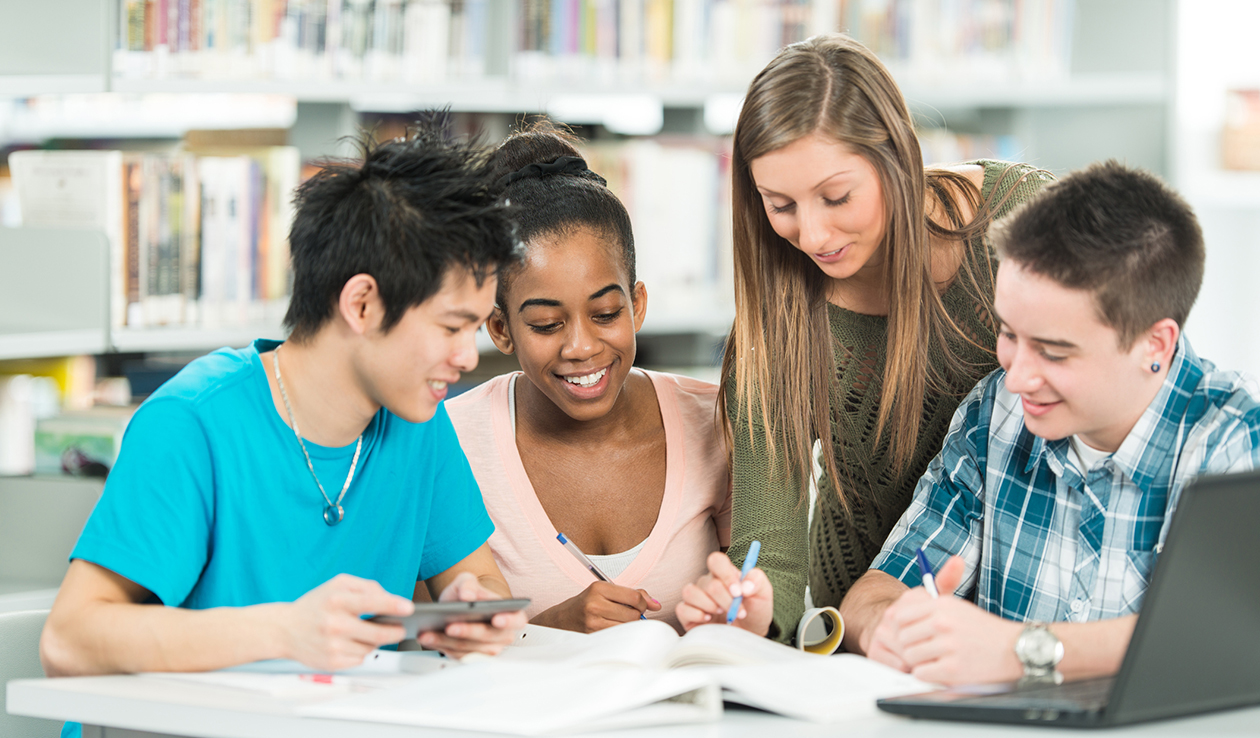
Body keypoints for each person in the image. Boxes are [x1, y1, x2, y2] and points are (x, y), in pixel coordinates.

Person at [19, 124, 528, 738]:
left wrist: (468, 610)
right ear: (361, 304)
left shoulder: (417, 423)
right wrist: (285, 632)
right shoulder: (194, 422)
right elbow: (70, 640)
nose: (468, 356)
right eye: (453, 325)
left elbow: (469, 579)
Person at [694, 161, 1260, 684]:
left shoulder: (1233, 444)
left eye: (1055, 352)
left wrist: (1021, 650)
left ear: (1153, 344)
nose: (1015, 377)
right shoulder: (996, 415)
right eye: (1010, 335)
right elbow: (878, 588)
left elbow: (1232, 634)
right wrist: (888, 626)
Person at [675, 33, 1053, 642]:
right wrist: (752, 612)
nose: (815, 234)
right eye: (781, 205)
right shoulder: (776, 319)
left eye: (836, 196)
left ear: (897, 157)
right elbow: (767, 552)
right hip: (866, 626)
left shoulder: (1023, 220)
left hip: (1034, 601)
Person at [446, 123, 731, 633]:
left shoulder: (718, 422)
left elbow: (765, 596)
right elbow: (426, 651)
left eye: (605, 314)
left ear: (637, 304)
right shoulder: (450, 441)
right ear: (500, 329)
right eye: (546, 325)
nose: (581, 347)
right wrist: (554, 629)